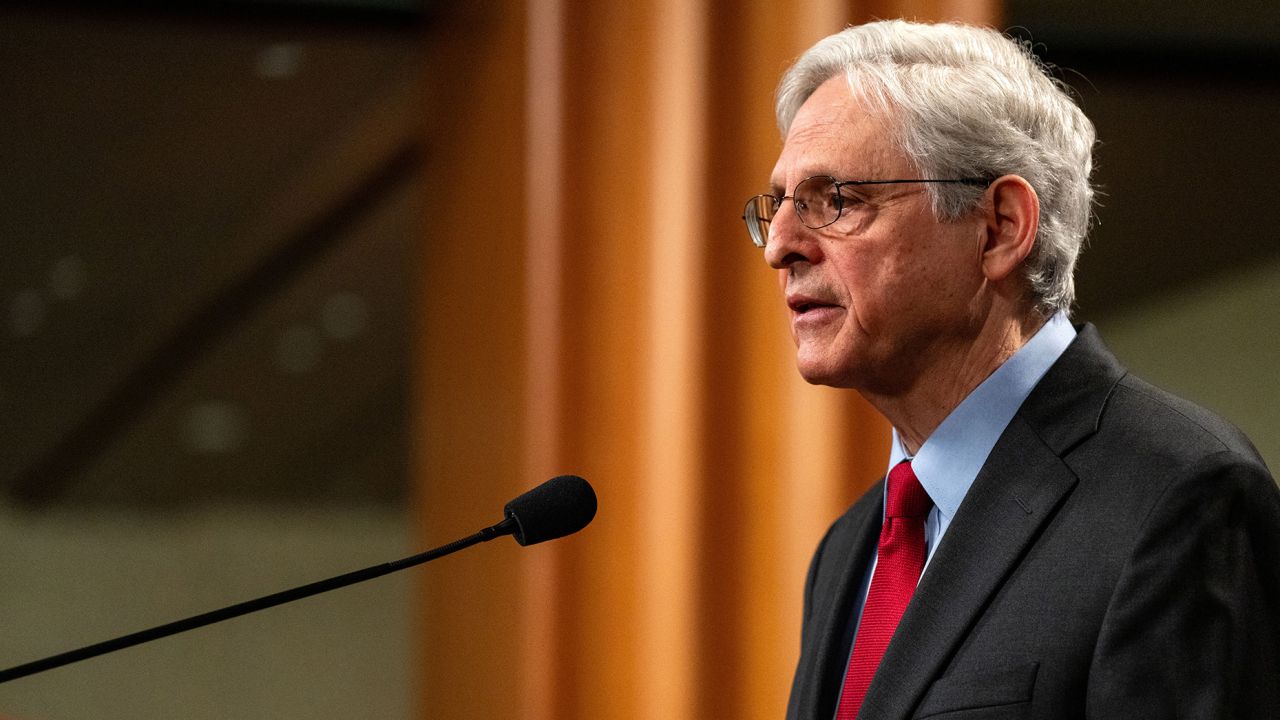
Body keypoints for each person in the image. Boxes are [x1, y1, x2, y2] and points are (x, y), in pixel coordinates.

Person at [742, 19, 1280, 720]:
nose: (779, 246)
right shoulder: (848, 551)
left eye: (835, 201)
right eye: (778, 205)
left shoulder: (1179, 496)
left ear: (998, 226)